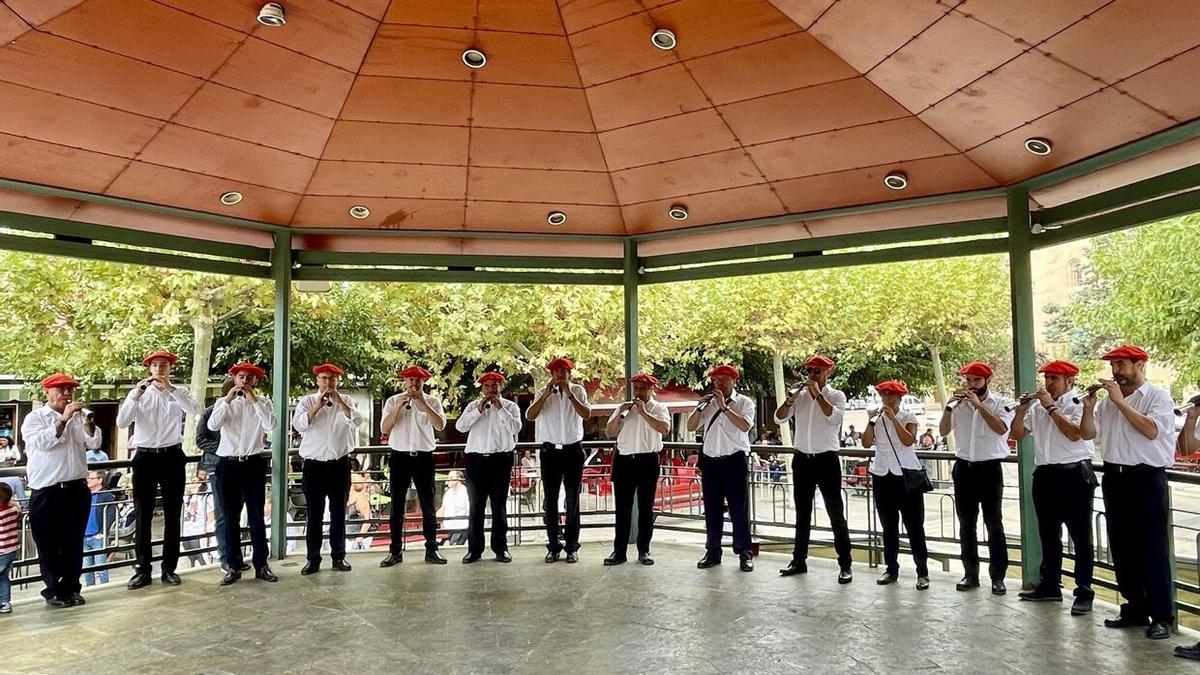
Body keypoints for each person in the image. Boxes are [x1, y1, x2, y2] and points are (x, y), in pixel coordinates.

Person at [1080, 345, 1175, 640]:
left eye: (1121, 365)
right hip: (1114, 477)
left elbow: (1151, 430)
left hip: (1145, 477)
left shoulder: (1158, 397)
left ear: (1140, 364)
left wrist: (1120, 402)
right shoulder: (1106, 403)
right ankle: (1135, 606)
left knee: (1152, 547)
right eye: (1113, 366)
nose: (1116, 371)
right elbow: (1086, 434)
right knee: (1121, 546)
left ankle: (1161, 615)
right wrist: (1087, 407)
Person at [1009, 360, 1096, 616]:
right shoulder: (1037, 408)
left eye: (1054, 379)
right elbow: (1017, 434)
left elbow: (1074, 433)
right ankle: (1050, 585)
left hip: (1074, 475)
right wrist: (1020, 410)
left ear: (1069, 381)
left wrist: (1050, 406)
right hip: (1045, 474)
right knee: (1048, 533)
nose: (1048, 384)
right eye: (1046, 378)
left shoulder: (1078, 403)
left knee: (1080, 536)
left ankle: (1083, 591)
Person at [117, 350, 201, 590]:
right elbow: (122, 423)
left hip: (172, 454)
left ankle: (169, 568)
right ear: (149, 369)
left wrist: (172, 389)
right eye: (155, 365)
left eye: (164, 365)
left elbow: (195, 410)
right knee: (143, 514)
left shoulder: (179, 393)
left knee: (174, 513)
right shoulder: (139, 394)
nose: (159, 369)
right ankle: (143, 569)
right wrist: (135, 395)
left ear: (170, 368)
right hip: (145, 456)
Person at [20, 373, 101, 607]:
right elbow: (42, 443)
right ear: (47, 392)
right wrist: (63, 420)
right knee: (48, 543)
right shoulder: (35, 418)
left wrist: (88, 421)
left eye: (70, 390)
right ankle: (54, 590)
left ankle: (72, 588)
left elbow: (95, 443)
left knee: (74, 541)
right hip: (47, 490)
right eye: (61, 389)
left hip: (76, 488)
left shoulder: (77, 418)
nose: (67, 394)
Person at [775, 355, 852, 583]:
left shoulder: (836, 395)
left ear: (828, 372)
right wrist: (790, 400)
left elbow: (834, 418)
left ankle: (845, 564)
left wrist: (817, 394)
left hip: (826, 459)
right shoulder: (798, 396)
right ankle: (798, 560)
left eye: (817, 371)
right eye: (809, 371)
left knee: (835, 513)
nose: (812, 375)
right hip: (802, 460)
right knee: (802, 513)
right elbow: (778, 418)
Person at [939, 361, 1014, 596]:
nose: (971, 385)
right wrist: (949, 407)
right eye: (968, 380)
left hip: (989, 468)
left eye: (976, 381)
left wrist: (979, 405)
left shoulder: (1001, 403)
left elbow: (1001, 428)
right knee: (966, 524)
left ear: (987, 382)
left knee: (994, 524)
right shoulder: (959, 405)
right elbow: (942, 431)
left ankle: (998, 576)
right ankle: (970, 573)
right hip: (964, 468)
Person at [207, 362, 277, 586]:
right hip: (228, 464)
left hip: (253, 463)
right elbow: (213, 425)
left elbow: (270, 424)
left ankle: (261, 564)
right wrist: (228, 399)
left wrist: (254, 400)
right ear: (235, 379)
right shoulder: (223, 403)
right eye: (241, 377)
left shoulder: (263, 403)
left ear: (255, 382)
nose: (245, 381)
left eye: (250, 378)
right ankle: (232, 566)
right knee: (229, 517)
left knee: (257, 516)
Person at [292, 363, 362, 575]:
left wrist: (340, 402)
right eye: (324, 379)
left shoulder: (347, 400)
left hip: (339, 464)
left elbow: (357, 421)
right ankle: (313, 559)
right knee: (314, 514)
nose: (328, 383)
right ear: (317, 380)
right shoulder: (306, 401)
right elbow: (299, 425)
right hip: (313, 466)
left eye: (332, 379)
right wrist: (317, 406)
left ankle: (338, 557)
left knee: (338, 513)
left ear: (338, 381)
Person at [688, 364, 756, 572]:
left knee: (738, 509)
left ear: (733, 380)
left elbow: (745, 426)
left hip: (734, 460)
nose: (718, 383)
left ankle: (744, 553)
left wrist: (724, 407)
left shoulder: (744, 402)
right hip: (711, 462)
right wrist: (699, 408)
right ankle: (713, 551)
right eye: (715, 380)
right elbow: (691, 426)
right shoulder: (708, 404)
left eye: (723, 379)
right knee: (711, 509)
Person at [862, 380, 929, 590]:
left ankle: (922, 572)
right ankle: (891, 569)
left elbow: (908, 440)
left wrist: (893, 419)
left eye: (891, 395)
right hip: (882, 474)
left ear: (899, 398)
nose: (887, 399)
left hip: (906, 476)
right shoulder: (877, 418)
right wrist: (872, 421)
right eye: (884, 395)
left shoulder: (908, 416)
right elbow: (865, 442)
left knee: (914, 527)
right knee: (888, 527)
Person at [379, 365, 447, 567]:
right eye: (410, 380)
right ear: (405, 382)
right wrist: (399, 406)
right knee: (397, 506)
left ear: (423, 382)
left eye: (418, 380)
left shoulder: (432, 401)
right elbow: (384, 428)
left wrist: (423, 402)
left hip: (423, 457)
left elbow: (440, 425)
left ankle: (432, 548)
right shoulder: (393, 400)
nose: (414, 383)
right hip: (400, 456)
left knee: (428, 505)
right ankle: (395, 551)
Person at [526, 357, 591, 564]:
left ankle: (572, 547)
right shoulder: (543, 393)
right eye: (556, 372)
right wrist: (545, 394)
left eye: (563, 372)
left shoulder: (578, 391)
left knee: (572, 500)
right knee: (550, 501)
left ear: (569, 373)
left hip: (573, 450)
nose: (560, 375)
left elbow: (587, 414)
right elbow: (530, 415)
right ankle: (553, 546)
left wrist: (569, 394)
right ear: (551, 375)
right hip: (550, 452)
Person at [455, 371, 522, 564]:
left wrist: (501, 409)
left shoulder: (510, 407)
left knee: (499, 505)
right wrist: (478, 410)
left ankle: (501, 548)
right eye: (487, 386)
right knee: (476, 506)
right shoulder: (472, 406)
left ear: (500, 387)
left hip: (500, 460)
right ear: (482, 388)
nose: (491, 389)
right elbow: (461, 427)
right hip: (477, 460)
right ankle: (474, 549)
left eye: (494, 386)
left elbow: (515, 428)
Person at [604, 373, 670, 566]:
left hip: (647, 461)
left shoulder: (659, 408)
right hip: (624, 461)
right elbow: (609, 432)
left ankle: (644, 550)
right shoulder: (624, 408)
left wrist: (644, 412)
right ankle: (619, 551)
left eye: (643, 388)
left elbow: (664, 429)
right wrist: (621, 413)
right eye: (636, 388)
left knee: (645, 508)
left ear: (651, 389)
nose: (638, 392)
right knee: (622, 509)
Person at [196, 378, 236, 572]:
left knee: (234, 513)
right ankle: (225, 557)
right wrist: (223, 448)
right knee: (222, 513)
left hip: (235, 465)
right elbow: (200, 439)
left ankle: (234, 555)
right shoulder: (211, 412)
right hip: (217, 465)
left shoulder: (242, 411)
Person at [82, 470, 116, 586]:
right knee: (87, 569)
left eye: (91, 478)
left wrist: (103, 532)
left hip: (97, 536)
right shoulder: (85, 494)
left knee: (101, 567)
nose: (88, 480)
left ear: (100, 480)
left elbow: (111, 513)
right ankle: (90, 588)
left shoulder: (106, 495)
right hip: (85, 536)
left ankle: (104, 588)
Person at [181, 475, 214, 567]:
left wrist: (205, 528)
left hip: (198, 531)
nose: (192, 483)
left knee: (200, 555)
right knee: (190, 555)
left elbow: (211, 515)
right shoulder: (187, 498)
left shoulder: (204, 499)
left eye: (195, 481)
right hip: (187, 531)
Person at [0, 482, 21, 614]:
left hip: (1, 552)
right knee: (3, 577)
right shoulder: (12, 511)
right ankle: (4, 602)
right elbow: (20, 513)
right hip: (11, 550)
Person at [438, 470, 470, 546]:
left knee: (454, 544)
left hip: (461, 525)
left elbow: (469, 510)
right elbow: (443, 507)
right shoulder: (448, 492)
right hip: (448, 525)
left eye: (451, 478)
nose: (448, 481)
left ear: (458, 479)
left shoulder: (466, 492)